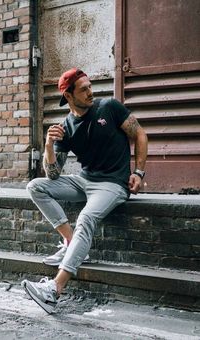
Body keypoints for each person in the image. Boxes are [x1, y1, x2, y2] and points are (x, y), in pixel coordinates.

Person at [22, 67, 148, 313]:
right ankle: (71, 241)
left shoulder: (109, 107)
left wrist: (138, 172)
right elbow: (53, 175)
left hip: (112, 184)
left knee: (87, 218)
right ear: (68, 96)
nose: (90, 92)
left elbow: (140, 134)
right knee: (35, 186)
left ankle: (53, 291)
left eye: (90, 86)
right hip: (84, 181)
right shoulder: (65, 128)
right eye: (84, 89)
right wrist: (48, 145)